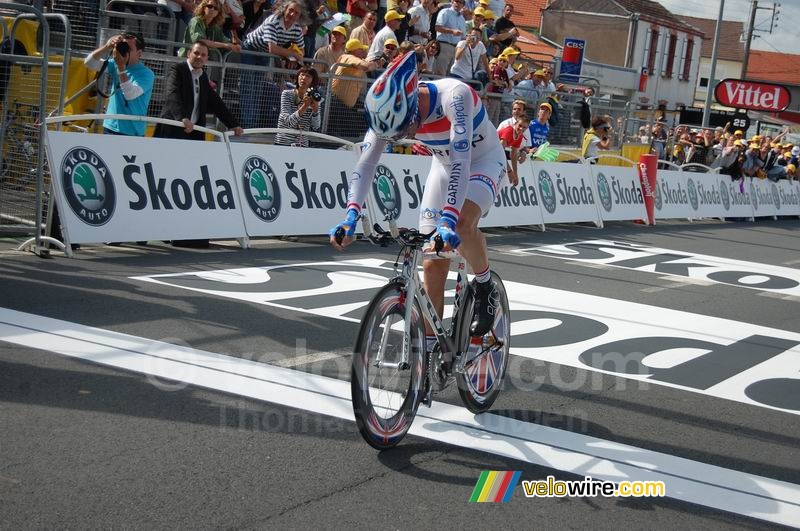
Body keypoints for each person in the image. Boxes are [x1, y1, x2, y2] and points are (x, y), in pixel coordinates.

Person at [329, 52, 517, 341]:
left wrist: (447, 220)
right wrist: (350, 215)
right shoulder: (387, 110)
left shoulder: (454, 96)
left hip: (482, 162)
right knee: (432, 260)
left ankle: (484, 286)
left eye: (404, 130)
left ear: (414, 107)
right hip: (442, 167)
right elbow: (366, 163)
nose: (400, 136)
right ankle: (429, 356)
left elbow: (461, 162)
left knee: (460, 225)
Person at [154, 42, 244, 140]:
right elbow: (172, 95)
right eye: (196, 53)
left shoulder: (203, 76)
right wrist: (182, 118)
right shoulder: (177, 69)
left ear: (207, 58)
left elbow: (216, 102)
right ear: (189, 53)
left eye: (203, 55)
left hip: (194, 132)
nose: (199, 57)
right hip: (173, 129)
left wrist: (233, 124)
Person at [83, 32, 155, 137]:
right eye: (122, 47)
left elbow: (130, 95)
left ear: (139, 53)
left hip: (132, 131)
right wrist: (106, 47)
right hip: (110, 126)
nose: (124, 51)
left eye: (128, 49)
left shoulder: (146, 74)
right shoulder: (115, 63)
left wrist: (121, 67)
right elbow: (89, 63)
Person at [275, 65, 322, 147]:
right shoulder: (287, 94)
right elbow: (288, 122)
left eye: (308, 76)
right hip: (283, 143)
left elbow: (316, 127)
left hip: (302, 145)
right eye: (302, 75)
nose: (303, 78)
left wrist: (316, 111)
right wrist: (305, 106)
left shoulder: (314, 98)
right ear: (297, 77)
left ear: (313, 81)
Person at [497, 113, 529, 184]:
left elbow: (513, 156)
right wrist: (509, 171)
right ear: (515, 124)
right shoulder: (509, 131)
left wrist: (515, 174)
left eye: (524, 127)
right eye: (520, 125)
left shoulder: (519, 136)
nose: (521, 129)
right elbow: (500, 153)